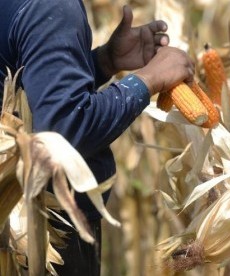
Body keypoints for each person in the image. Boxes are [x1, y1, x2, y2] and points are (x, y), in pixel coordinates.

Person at [0, 0, 194, 275]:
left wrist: (105, 61)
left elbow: (28, 92)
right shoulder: (51, 6)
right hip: (44, 235)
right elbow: (63, 130)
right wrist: (148, 80)